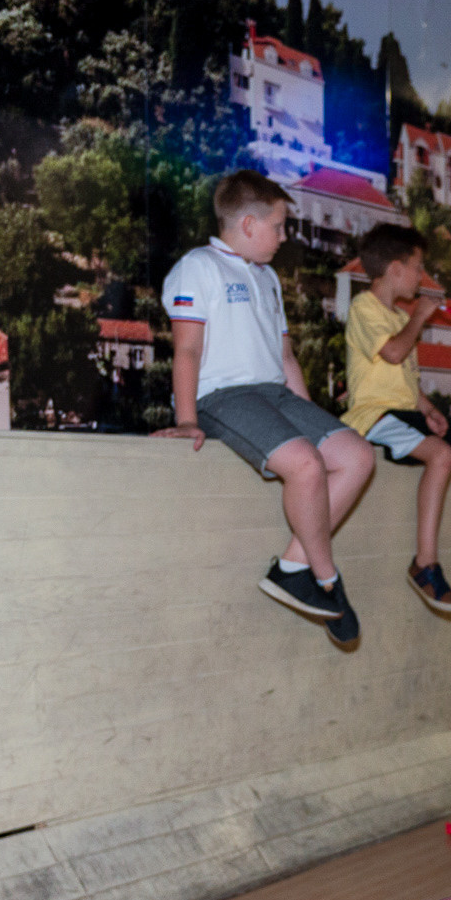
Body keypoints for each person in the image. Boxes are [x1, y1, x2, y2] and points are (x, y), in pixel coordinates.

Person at [155, 170, 374, 646]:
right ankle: (328, 579)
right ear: (249, 224)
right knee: (306, 467)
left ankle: (293, 567)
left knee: (357, 456)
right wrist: (187, 419)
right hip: (223, 396)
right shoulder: (199, 267)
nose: (283, 236)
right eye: (278, 226)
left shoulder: (268, 277)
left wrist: (316, 422)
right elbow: (188, 351)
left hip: (274, 393)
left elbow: (287, 358)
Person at [343, 223, 451, 613]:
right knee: (441, 455)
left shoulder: (395, 316)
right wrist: (419, 318)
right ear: (395, 268)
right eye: (418, 267)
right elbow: (391, 354)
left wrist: (428, 408)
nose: (421, 277)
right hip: (374, 415)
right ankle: (424, 564)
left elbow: (401, 376)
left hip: (406, 410)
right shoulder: (364, 307)